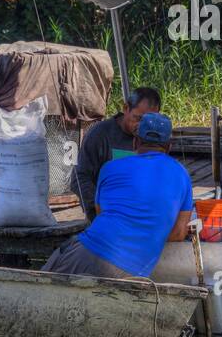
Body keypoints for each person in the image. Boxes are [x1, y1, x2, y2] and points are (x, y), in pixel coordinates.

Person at [43, 112, 194, 278]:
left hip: (90, 249)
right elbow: (180, 233)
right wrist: (148, 235)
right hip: (132, 269)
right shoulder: (182, 175)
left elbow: (101, 214)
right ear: (169, 146)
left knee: (39, 284)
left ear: (135, 142)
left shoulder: (110, 168)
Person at [71, 86, 162, 220]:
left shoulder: (152, 136)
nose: (142, 126)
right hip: (106, 215)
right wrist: (98, 208)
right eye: (138, 118)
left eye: (149, 121)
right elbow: (79, 178)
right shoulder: (100, 134)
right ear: (126, 108)